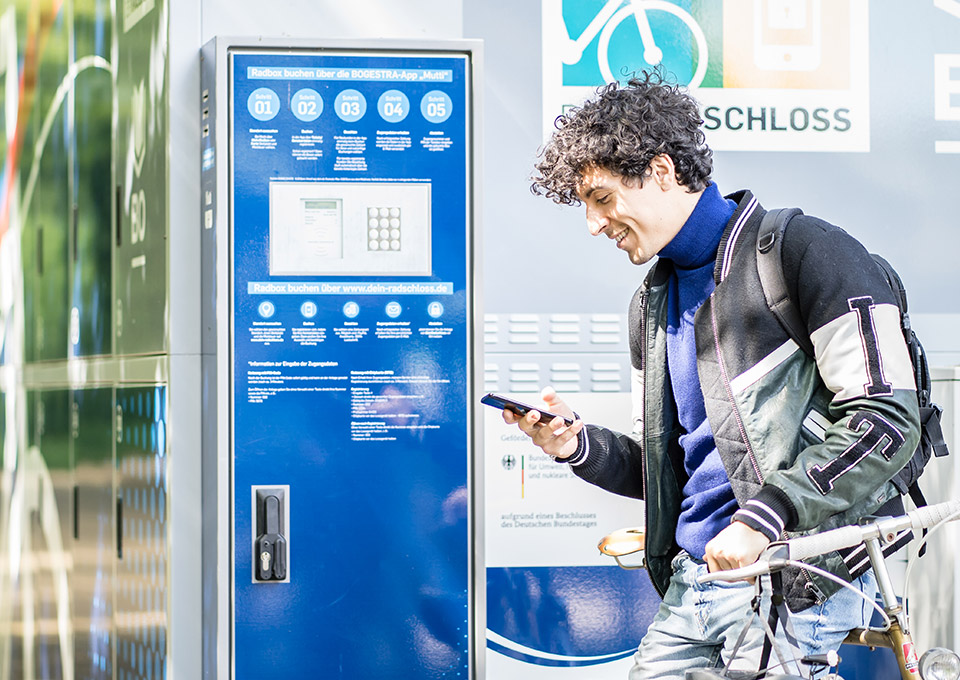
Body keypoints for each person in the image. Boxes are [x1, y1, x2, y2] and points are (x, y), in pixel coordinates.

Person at [502, 71, 921, 679]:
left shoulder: (805, 253)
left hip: (799, 574)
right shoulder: (653, 302)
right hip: (696, 581)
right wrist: (576, 445)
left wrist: (765, 516)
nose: (593, 225)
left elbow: (888, 421)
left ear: (663, 171)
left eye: (600, 198)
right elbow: (685, 470)